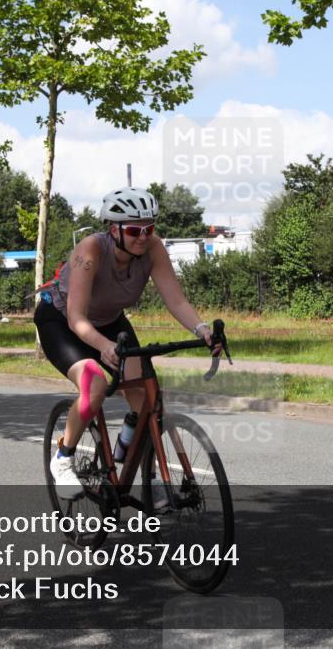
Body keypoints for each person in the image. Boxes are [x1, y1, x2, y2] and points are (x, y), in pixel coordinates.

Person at [34, 186, 221, 499]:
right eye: (135, 230)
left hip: (110, 322)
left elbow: (176, 301)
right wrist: (103, 345)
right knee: (93, 385)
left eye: (149, 229)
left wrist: (202, 330)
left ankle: (147, 472)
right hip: (62, 322)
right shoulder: (90, 250)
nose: (143, 237)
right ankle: (63, 456)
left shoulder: (153, 249)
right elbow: (77, 318)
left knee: (148, 398)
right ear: (114, 229)